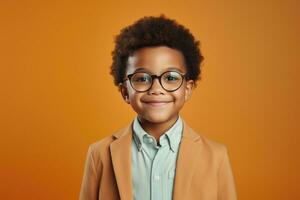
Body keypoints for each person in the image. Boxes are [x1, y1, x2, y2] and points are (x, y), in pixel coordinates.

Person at [79, 14, 237, 200]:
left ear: (188, 89)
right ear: (124, 91)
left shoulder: (216, 156)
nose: (156, 89)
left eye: (170, 78)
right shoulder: (99, 154)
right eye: (142, 78)